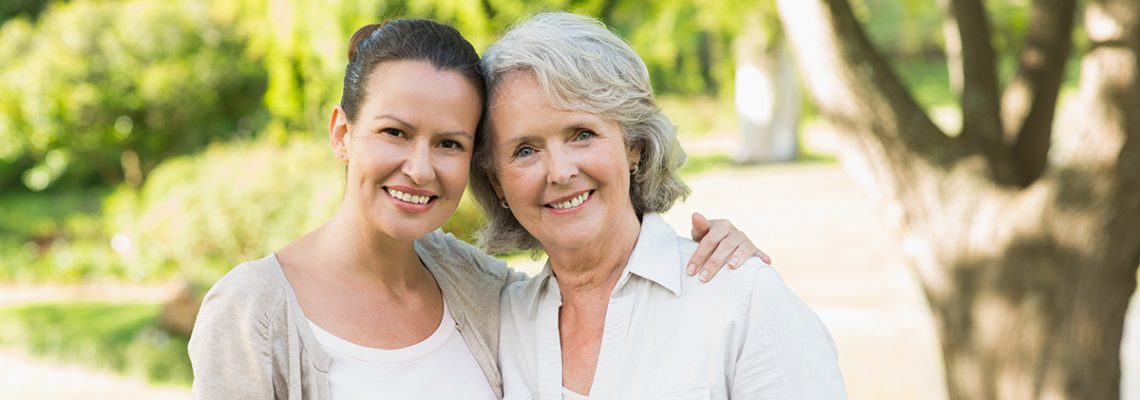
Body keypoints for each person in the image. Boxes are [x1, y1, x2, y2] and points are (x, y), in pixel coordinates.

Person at [188, 18, 765, 399]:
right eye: (394, 132)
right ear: (342, 132)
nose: (420, 168)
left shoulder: (479, 288)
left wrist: (721, 246)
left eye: (449, 143)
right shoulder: (253, 311)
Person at [472, 12, 847, 399]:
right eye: (525, 150)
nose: (560, 171)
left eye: (582, 134)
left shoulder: (741, 298)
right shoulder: (498, 323)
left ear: (633, 145)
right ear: (497, 181)